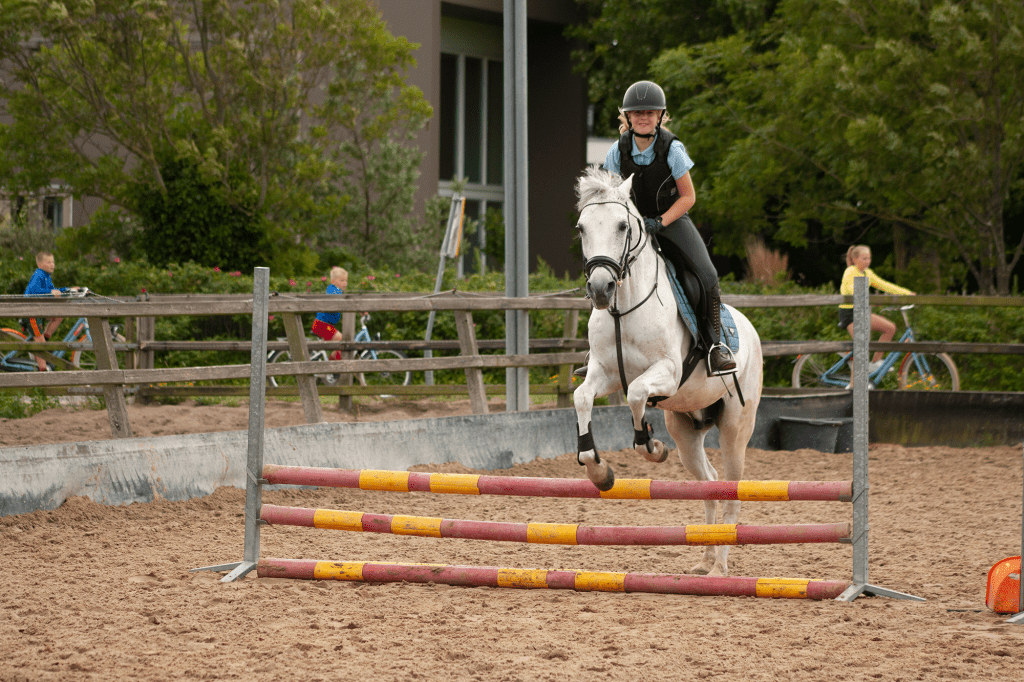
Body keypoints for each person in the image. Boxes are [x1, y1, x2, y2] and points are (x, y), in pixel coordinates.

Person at [586, 80, 735, 377]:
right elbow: (613, 194)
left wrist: (660, 222)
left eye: (650, 112)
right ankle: (597, 352)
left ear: (660, 116)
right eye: (637, 112)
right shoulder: (617, 151)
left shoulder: (672, 148)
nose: (643, 117)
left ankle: (715, 346)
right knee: (602, 271)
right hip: (630, 224)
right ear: (628, 117)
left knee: (707, 275)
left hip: (671, 221)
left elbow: (689, 197)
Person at [839, 245, 915, 374]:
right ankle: (852, 387)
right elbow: (849, 290)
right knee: (862, 348)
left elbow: (884, 285)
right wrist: (867, 298)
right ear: (855, 260)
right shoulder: (850, 272)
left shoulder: (868, 273)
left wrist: (906, 293)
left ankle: (874, 363)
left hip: (863, 312)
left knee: (890, 328)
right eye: (864, 258)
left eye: (869, 258)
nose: (868, 261)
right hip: (850, 314)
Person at [23, 251, 80, 371]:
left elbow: (53, 290)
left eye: (53, 262)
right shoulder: (38, 274)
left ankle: (46, 339)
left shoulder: (46, 277)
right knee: (40, 344)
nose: (52, 264)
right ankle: (43, 371)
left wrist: (68, 289)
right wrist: (50, 293)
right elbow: (34, 291)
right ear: (40, 264)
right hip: (31, 312)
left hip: (39, 311)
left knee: (58, 316)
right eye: (48, 262)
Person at [312, 267, 348, 361]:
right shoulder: (332, 289)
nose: (345, 283)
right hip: (321, 325)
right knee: (343, 341)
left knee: (342, 343)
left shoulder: (339, 292)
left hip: (323, 325)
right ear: (333, 281)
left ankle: (331, 365)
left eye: (346, 280)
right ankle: (331, 366)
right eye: (342, 280)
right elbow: (336, 298)